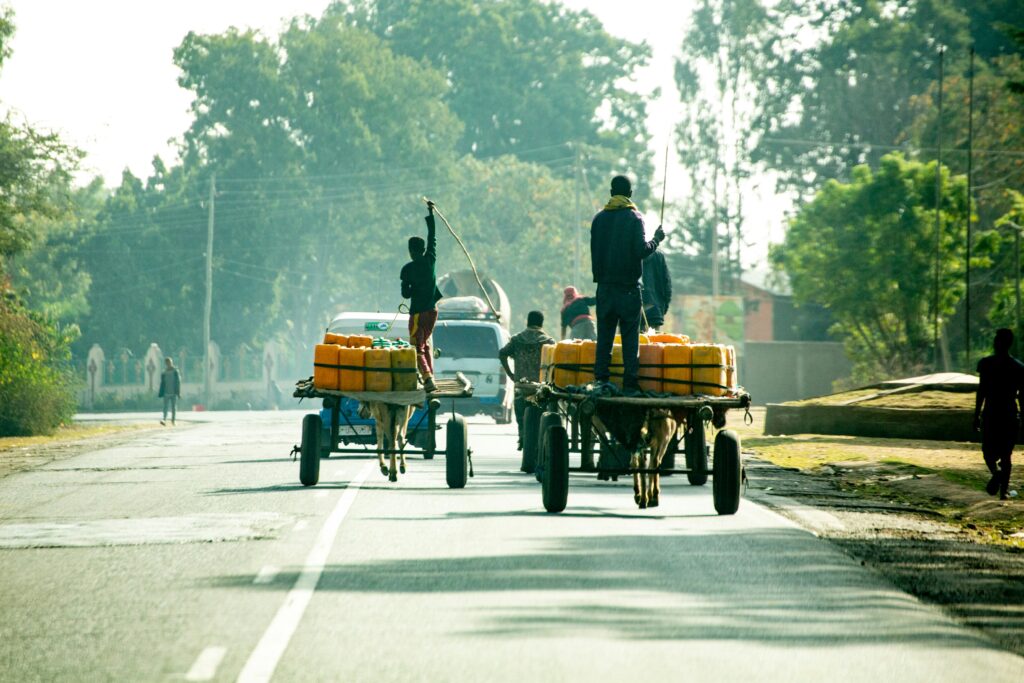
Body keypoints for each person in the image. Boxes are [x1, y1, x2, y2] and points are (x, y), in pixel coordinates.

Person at [590, 175, 665, 393]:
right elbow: (641, 250)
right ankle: (630, 383)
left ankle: (601, 381)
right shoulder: (634, 218)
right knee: (630, 340)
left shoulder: (598, 219)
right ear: (630, 194)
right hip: (628, 290)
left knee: (604, 338)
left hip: (604, 288)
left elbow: (595, 252)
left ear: (611, 193)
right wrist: (657, 239)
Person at [974, 328, 1024, 500]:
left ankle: (996, 473)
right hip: (1009, 414)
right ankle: (1004, 492)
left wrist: (976, 415)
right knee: (1006, 455)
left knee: (988, 452)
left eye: (996, 340)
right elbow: (1022, 396)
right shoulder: (1018, 367)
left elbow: (981, 391)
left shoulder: (986, 364)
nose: (995, 342)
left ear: (999, 343)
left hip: (991, 413)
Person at [401, 201, 444, 393]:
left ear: (410, 251)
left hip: (418, 313)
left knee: (416, 347)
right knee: (424, 344)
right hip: (433, 312)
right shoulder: (430, 260)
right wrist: (431, 214)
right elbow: (432, 237)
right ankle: (430, 377)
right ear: (424, 248)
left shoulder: (408, 269)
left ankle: (427, 378)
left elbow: (405, 294)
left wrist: (411, 287)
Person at [499, 310, 555, 450]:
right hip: (541, 388)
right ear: (542, 323)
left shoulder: (517, 340)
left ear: (527, 322)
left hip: (521, 386)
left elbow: (502, 353)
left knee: (521, 415)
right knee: (543, 414)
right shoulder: (548, 342)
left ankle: (522, 437)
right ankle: (540, 440)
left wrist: (511, 375)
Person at [641, 250, 672, 331]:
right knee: (653, 338)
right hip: (654, 308)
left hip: (629, 308)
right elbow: (666, 283)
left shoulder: (627, 253)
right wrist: (663, 309)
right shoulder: (658, 256)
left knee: (627, 338)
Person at [158, 357, 181, 426]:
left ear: (171, 362)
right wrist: (161, 392)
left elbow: (178, 382)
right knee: (165, 407)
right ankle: (164, 419)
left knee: (173, 407)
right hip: (166, 392)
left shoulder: (175, 371)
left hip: (173, 392)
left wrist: (178, 392)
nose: (168, 364)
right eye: (167, 363)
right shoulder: (164, 372)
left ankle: (173, 420)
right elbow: (162, 383)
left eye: (169, 362)